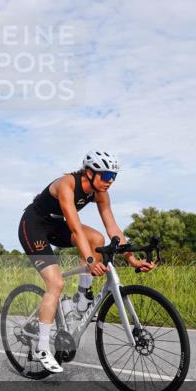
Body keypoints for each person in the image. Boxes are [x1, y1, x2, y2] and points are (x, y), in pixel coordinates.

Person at [17, 150, 153, 373]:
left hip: (57, 227)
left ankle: (82, 296)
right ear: (89, 173)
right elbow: (75, 227)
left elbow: (113, 230)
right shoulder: (66, 185)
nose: (110, 182)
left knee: (98, 238)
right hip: (34, 226)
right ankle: (42, 348)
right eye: (107, 176)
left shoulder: (100, 193)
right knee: (56, 284)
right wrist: (90, 259)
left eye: (114, 177)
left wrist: (133, 260)